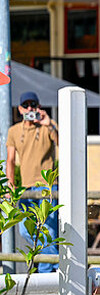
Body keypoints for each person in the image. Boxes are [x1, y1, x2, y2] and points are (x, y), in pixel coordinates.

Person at [6, 91, 59, 273]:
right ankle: (58, 264)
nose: (30, 109)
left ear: (39, 107)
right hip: (26, 189)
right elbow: (10, 160)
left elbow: (63, 143)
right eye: (26, 105)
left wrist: (49, 124)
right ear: (20, 109)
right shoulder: (14, 131)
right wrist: (10, 185)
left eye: (33, 105)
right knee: (24, 230)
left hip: (48, 187)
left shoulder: (48, 126)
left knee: (49, 231)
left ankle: (45, 273)